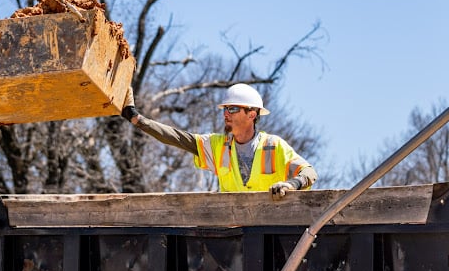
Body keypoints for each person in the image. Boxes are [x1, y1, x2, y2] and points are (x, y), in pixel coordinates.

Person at [121, 83, 317, 198]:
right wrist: (139, 120)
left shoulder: (273, 147)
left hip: (270, 233)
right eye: (225, 109)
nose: (226, 114)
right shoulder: (218, 146)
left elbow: (309, 172)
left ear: (252, 114)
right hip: (233, 235)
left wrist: (291, 184)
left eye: (232, 109)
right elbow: (177, 138)